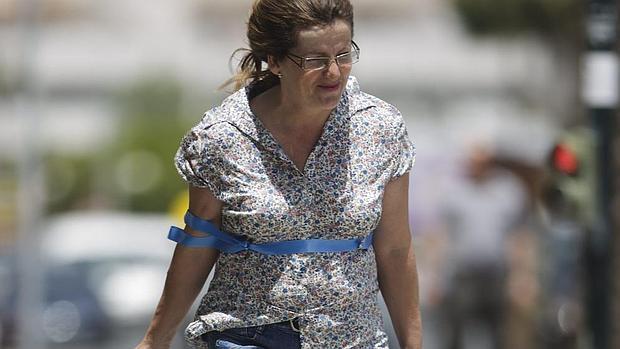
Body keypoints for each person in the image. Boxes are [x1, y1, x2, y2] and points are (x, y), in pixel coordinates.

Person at [135, 0, 421, 348]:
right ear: (275, 60)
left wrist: (412, 343)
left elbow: (394, 248)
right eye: (315, 61)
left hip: (352, 336)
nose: (334, 72)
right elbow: (199, 241)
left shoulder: (380, 129)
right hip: (247, 333)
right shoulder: (221, 138)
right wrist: (155, 339)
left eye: (344, 55)